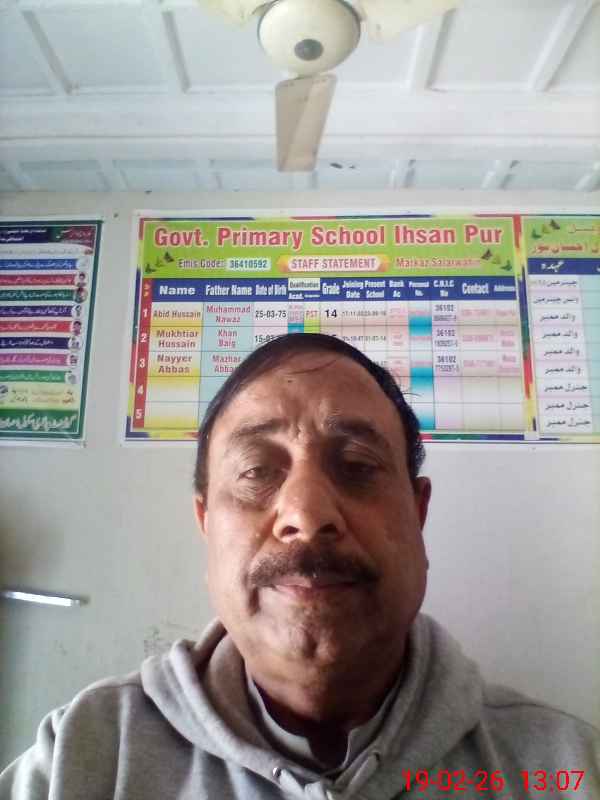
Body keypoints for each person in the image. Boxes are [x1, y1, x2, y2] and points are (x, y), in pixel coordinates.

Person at [1, 333, 599, 800]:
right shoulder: (81, 756)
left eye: (358, 465)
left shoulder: (567, 766)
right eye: (256, 471)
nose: (307, 515)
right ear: (206, 522)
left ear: (418, 513)